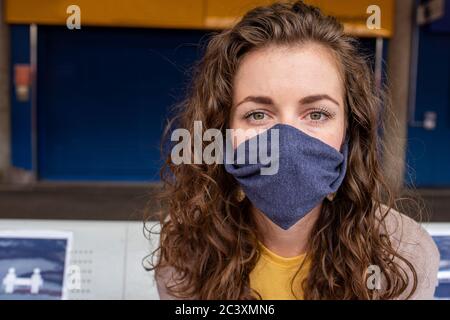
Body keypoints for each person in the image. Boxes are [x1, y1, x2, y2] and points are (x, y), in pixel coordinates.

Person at [147, 1, 440, 300]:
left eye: (316, 114)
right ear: (223, 131)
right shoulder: (186, 251)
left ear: (349, 130)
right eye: (258, 115)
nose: (287, 141)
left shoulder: (404, 256)